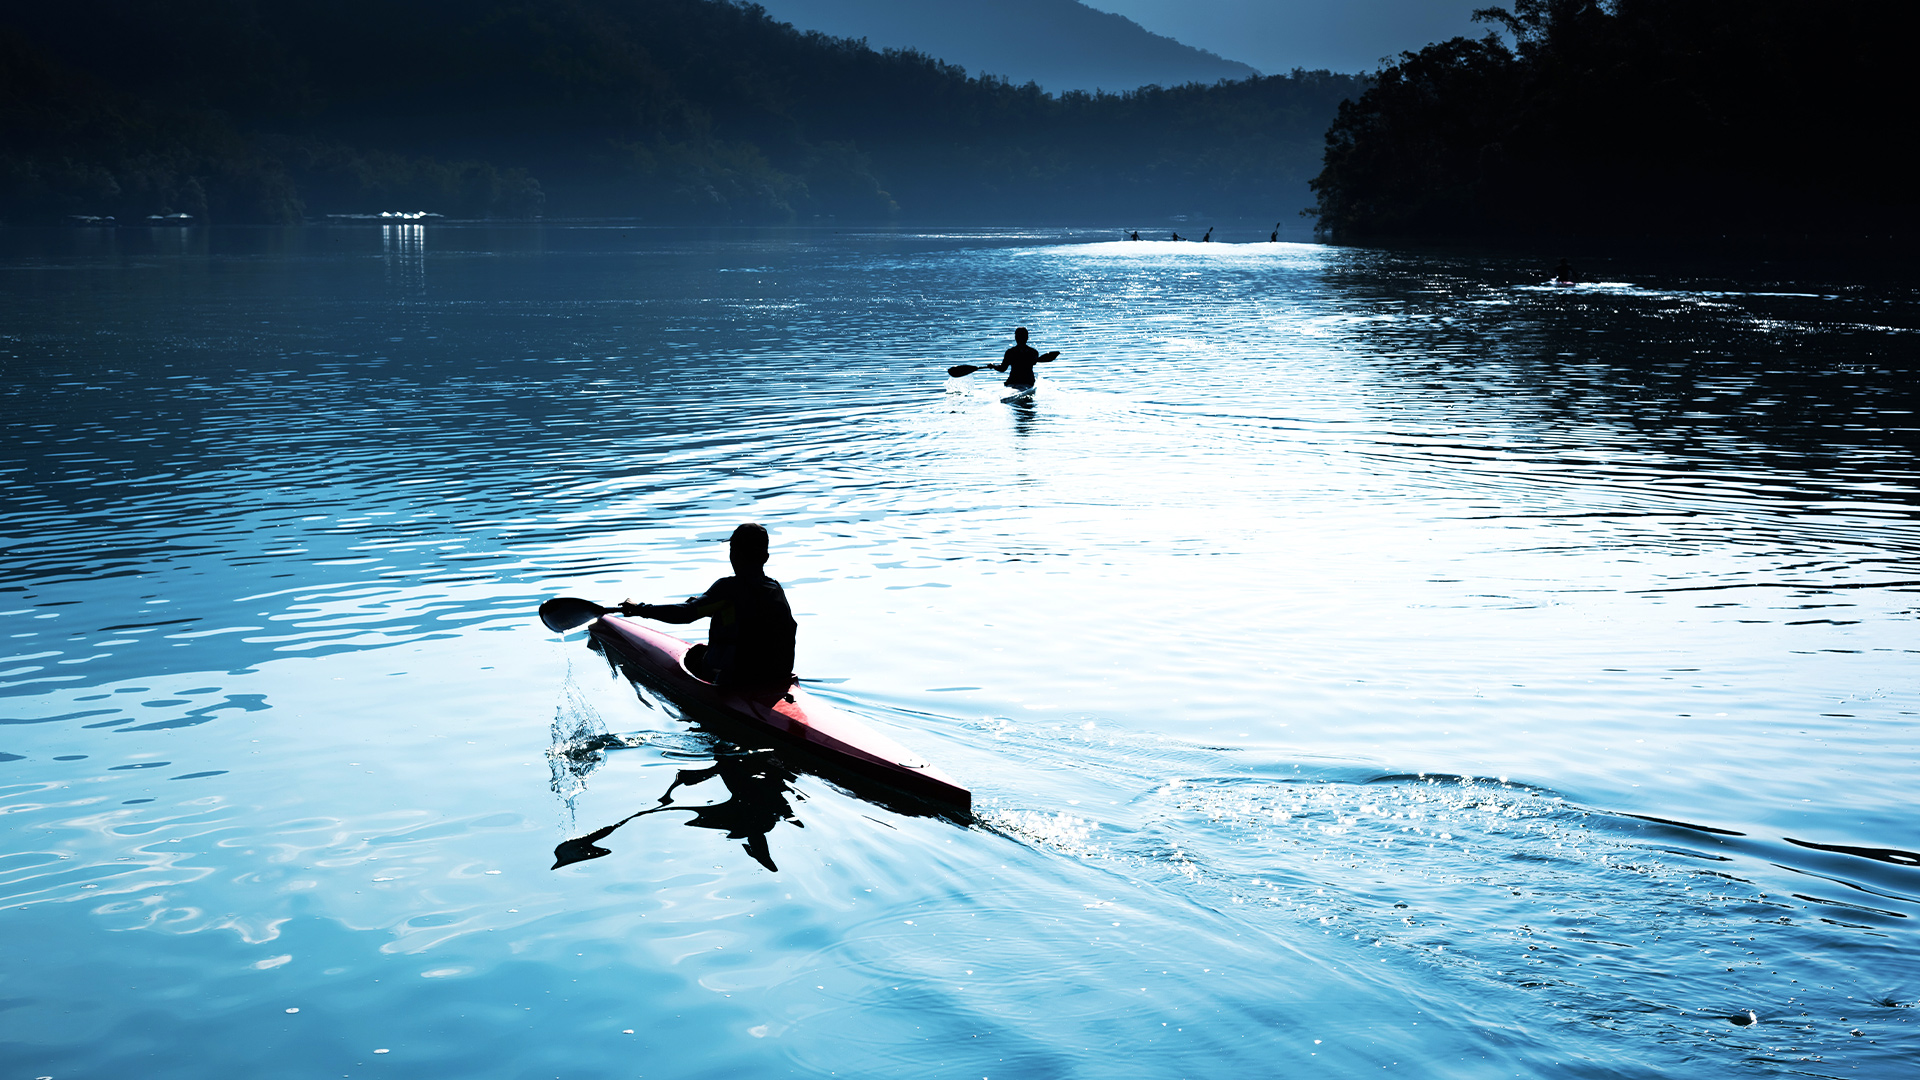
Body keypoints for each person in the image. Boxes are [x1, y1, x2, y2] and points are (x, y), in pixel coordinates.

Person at [620, 523, 796, 687]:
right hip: (777, 677)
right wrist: (709, 607)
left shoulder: (727, 588)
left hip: (739, 680)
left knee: (697, 656)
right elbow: (750, 616)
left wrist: (640, 609)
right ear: (765, 557)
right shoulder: (775, 589)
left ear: (734, 554)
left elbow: (685, 615)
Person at [990, 326, 1054, 389]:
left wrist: (993, 366)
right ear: (1027, 338)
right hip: (1028, 382)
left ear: (1016, 338)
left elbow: (1002, 368)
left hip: (1013, 381)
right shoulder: (1033, 352)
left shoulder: (1010, 352)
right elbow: (1034, 362)